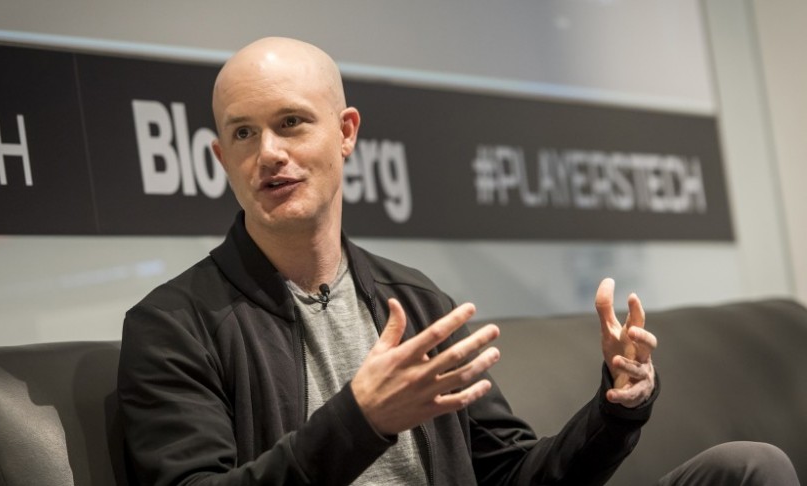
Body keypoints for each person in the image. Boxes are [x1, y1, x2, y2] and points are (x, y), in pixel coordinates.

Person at [117, 37, 799, 485]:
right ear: (221, 160)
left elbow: (510, 475)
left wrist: (619, 407)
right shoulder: (174, 325)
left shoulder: (412, 302)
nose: (268, 152)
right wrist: (362, 420)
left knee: (748, 469)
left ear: (346, 133)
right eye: (243, 133)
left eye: (291, 122)